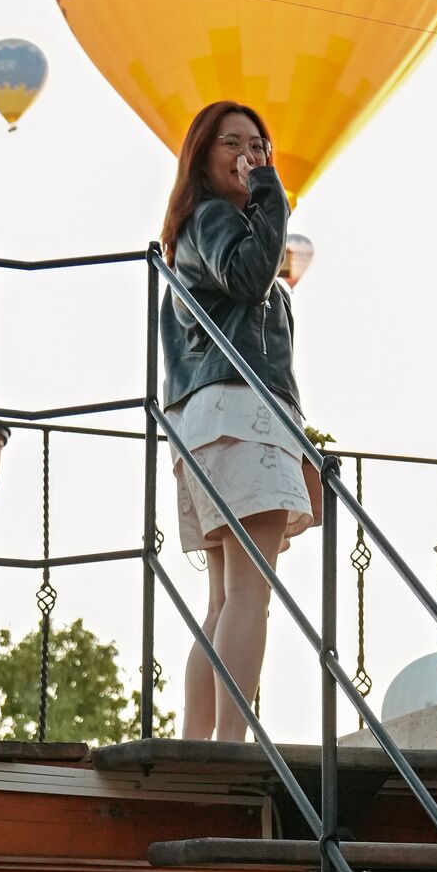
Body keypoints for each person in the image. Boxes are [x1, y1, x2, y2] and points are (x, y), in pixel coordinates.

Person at [160, 102, 319, 740]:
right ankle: (231, 744)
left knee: (225, 597)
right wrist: (271, 189)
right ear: (202, 155)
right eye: (233, 143)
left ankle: (200, 741)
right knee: (250, 592)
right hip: (239, 415)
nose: (250, 154)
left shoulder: (194, 231)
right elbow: (253, 279)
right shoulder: (215, 218)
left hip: (208, 422)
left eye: (260, 145)